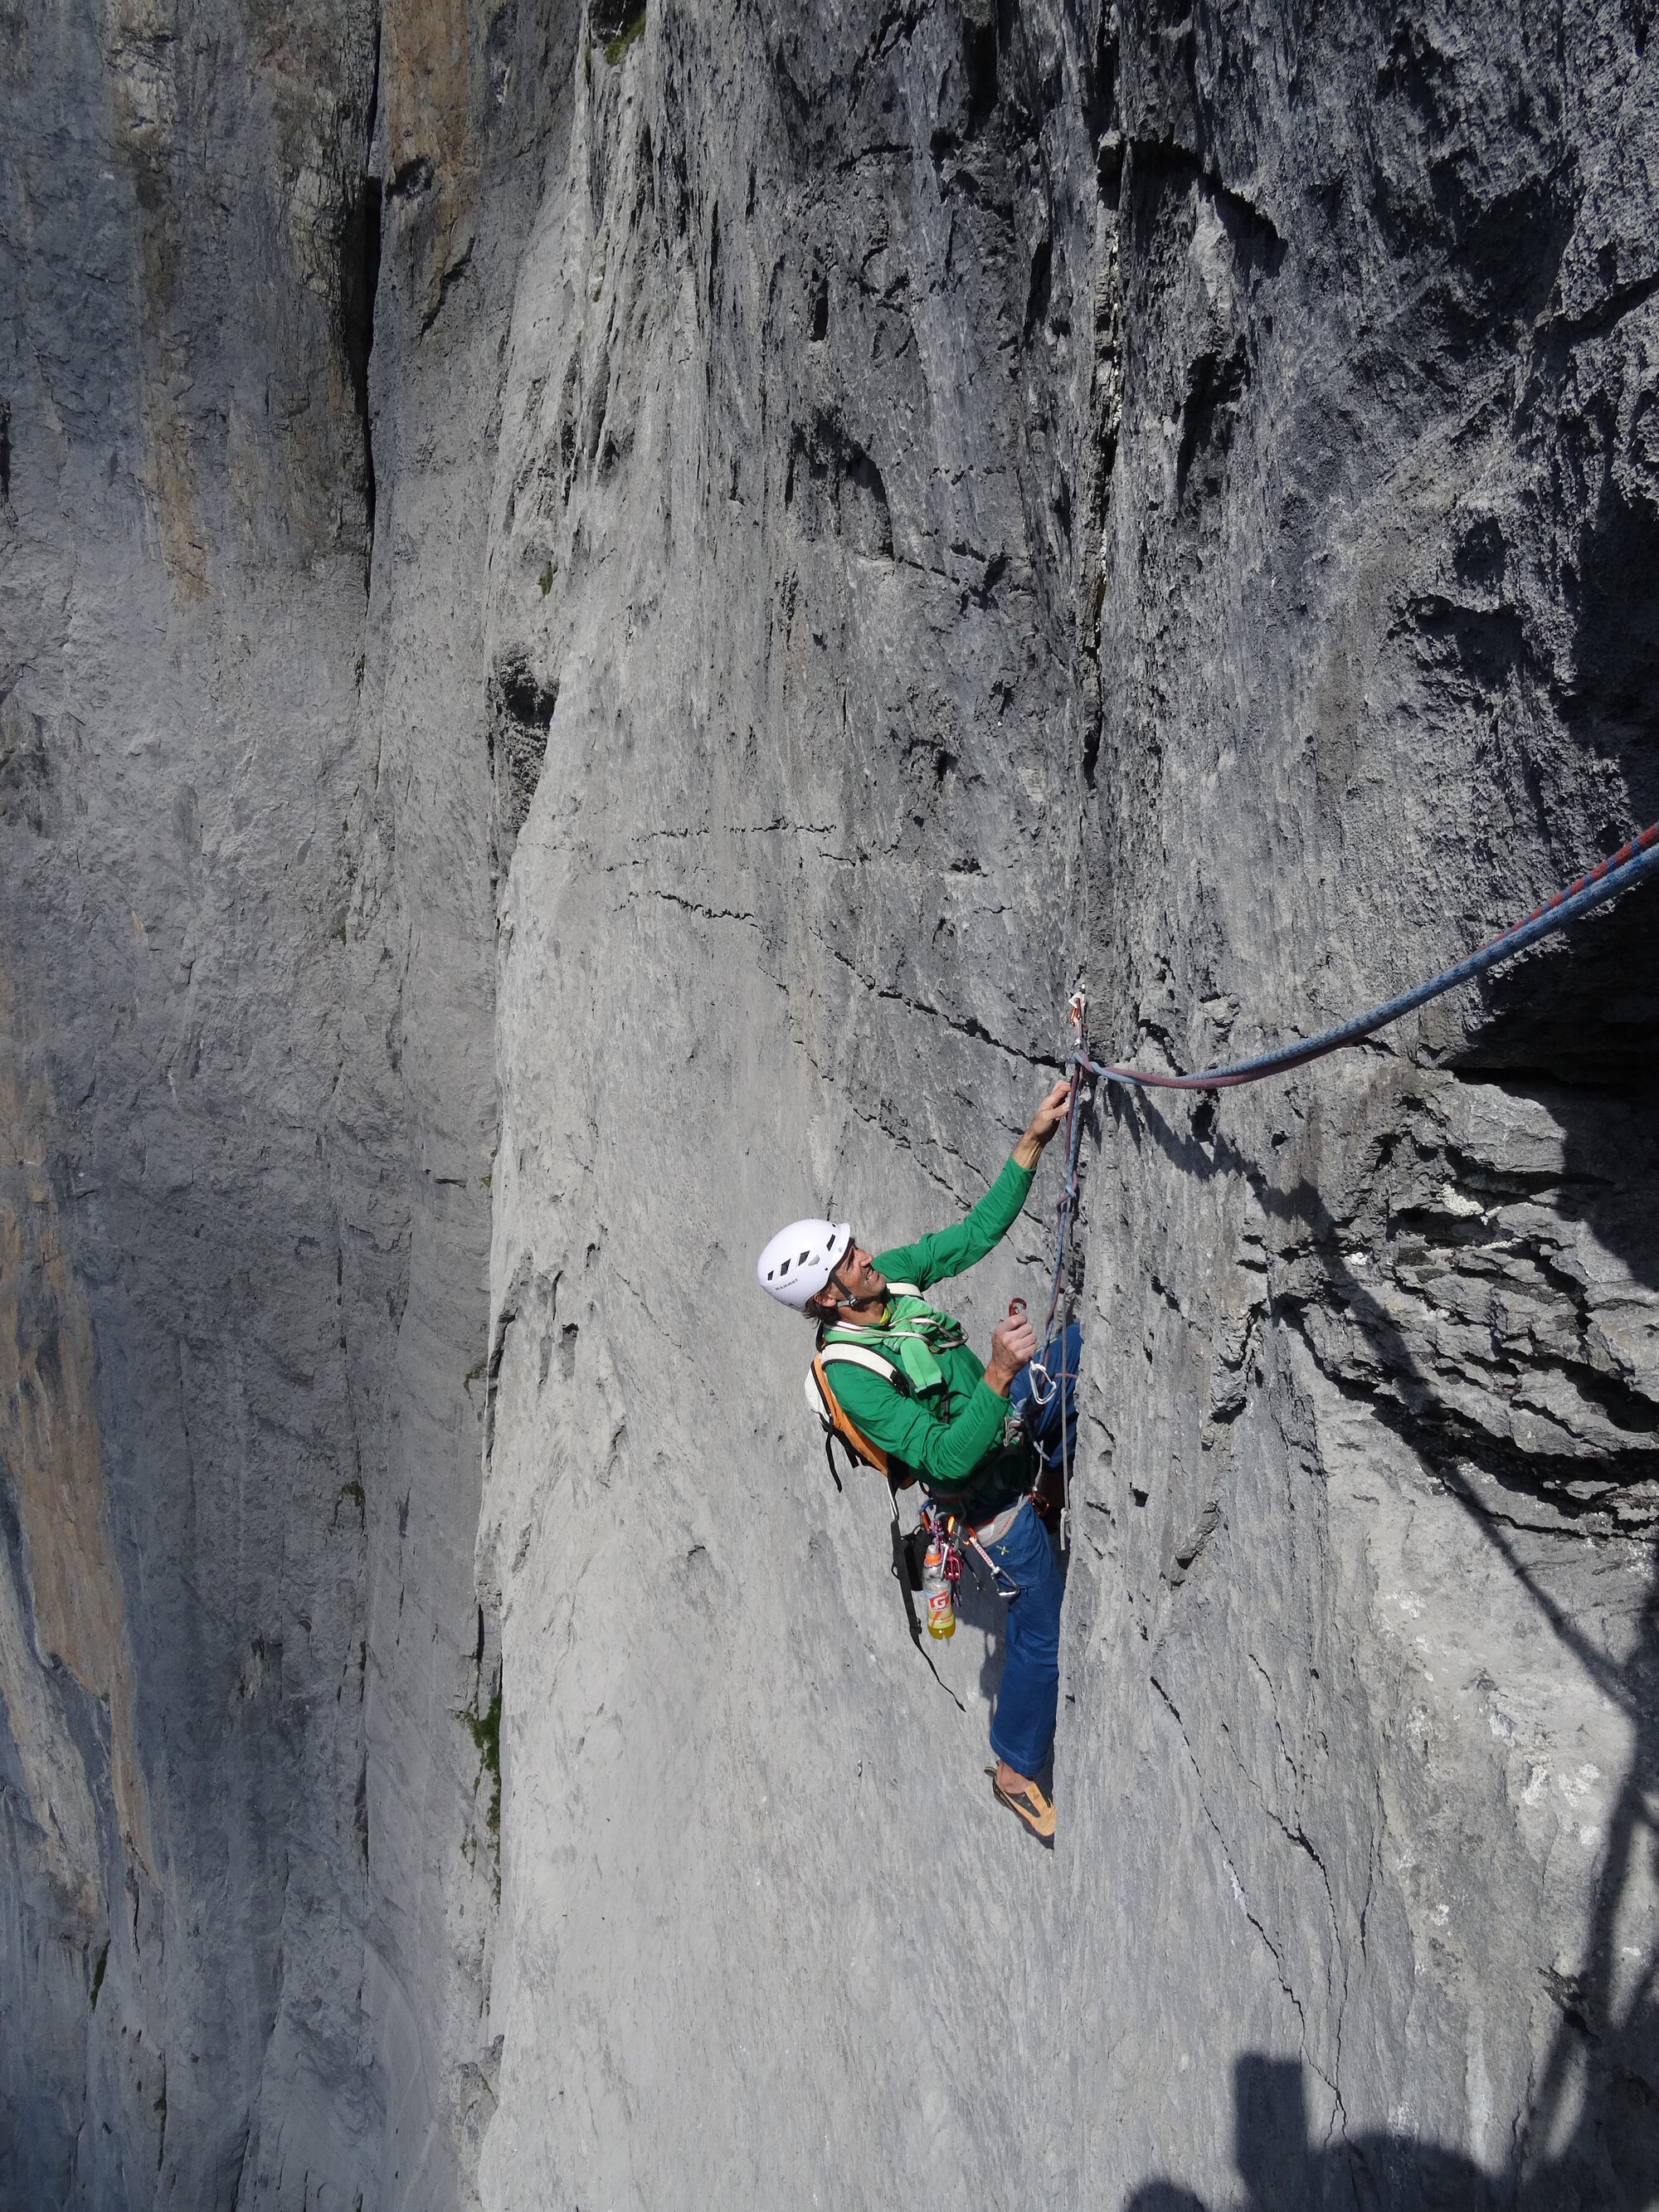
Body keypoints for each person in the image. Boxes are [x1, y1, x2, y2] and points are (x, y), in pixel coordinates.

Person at [756, 1079, 1080, 1841]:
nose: (865, 1253)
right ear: (830, 1298)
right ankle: (1014, 1766)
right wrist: (997, 1373)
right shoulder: (851, 1377)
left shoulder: (892, 1282)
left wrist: (1031, 1142)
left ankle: (1051, 1478)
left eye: (853, 1246)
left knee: (1076, 1359)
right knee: (1040, 1627)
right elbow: (939, 1454)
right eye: (848, 1258)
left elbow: (968, 1238)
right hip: (984, 1499)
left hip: (1008, 1428)